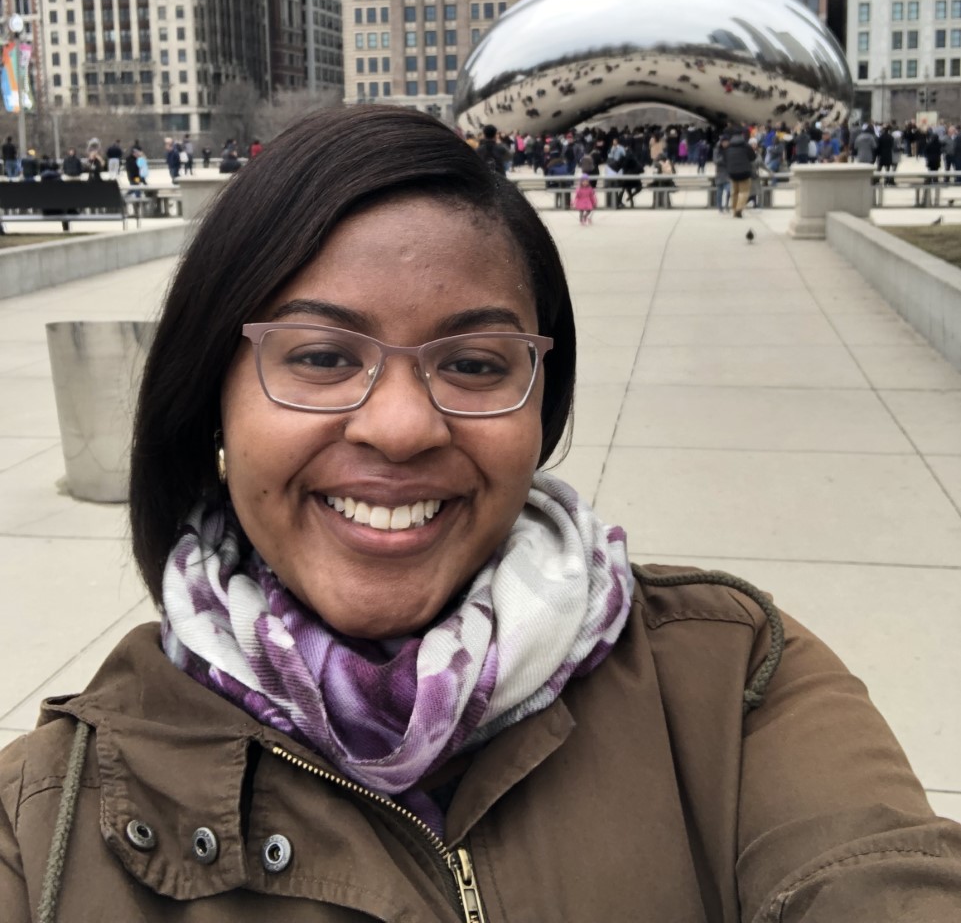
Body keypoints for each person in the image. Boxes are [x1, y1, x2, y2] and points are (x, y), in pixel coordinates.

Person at [1, 106, 959, 921]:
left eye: (472, 364)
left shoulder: (732, 682)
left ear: (541, 410)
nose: (403, 426)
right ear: (211, 399)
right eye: (321, 357)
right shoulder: (41, 822)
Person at [725, 128, 754, 218]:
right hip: (744, 172)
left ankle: (734, 210)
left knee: (734, 192)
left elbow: (725, 158)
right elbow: (753, 157)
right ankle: (739, 209)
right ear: (742, 135)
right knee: (744, 192)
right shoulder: (746, 145)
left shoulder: (729, 146)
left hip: (732, 172)